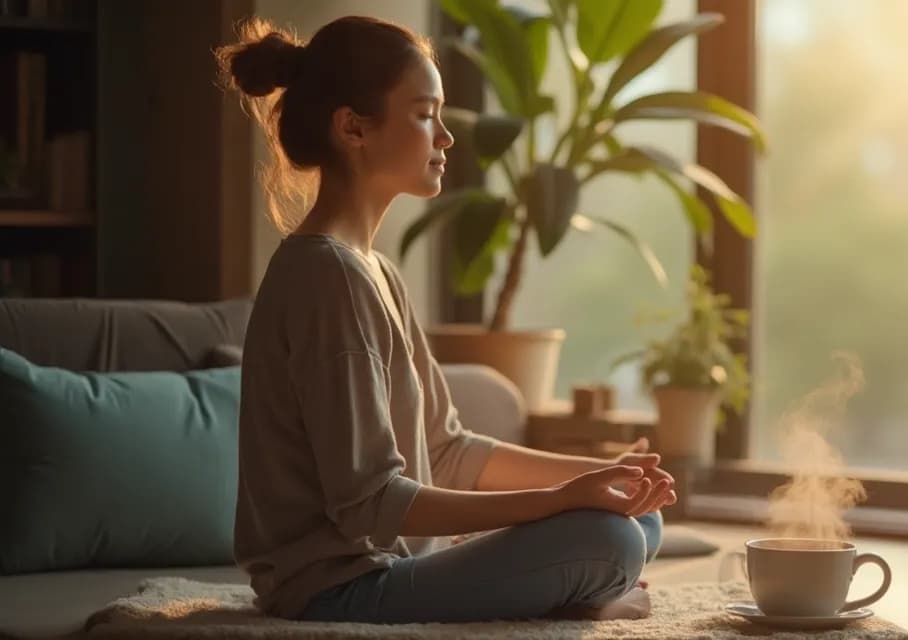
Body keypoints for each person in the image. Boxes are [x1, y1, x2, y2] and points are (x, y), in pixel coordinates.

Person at [215, 15, 675, 624]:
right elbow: (370, 506)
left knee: (638, 516)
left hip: (400, 565)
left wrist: (600, 473)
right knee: (611, 542)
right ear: (353, 127)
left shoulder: (374, 270)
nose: (446, 137)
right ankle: (575, 601)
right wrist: (558, 501)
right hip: (337, 590)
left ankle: (571, 594)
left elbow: (448, 449)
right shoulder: (327, 278)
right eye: (425, 113)